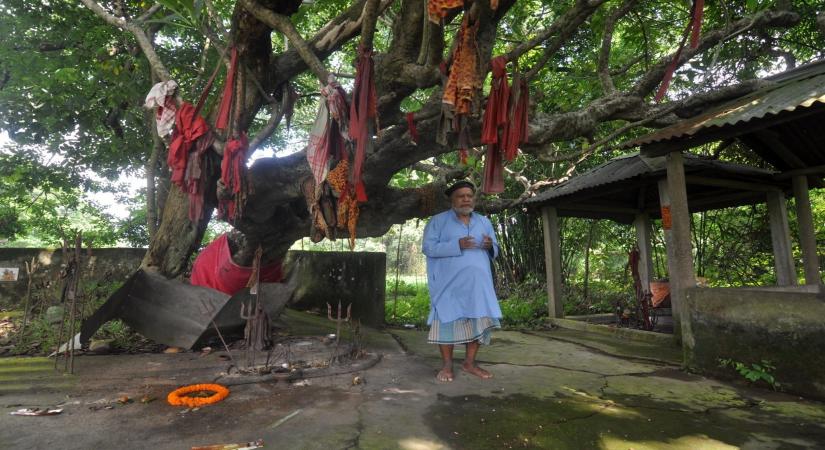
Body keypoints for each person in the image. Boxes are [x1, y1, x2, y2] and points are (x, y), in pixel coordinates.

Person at [422, 180, 502, 382]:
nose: (466, 199)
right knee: (446, 322)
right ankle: (447, 365)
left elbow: (495, 249)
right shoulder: (438, 221)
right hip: (448, 285)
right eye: (461, 196)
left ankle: (469, 363)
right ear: (452, 200)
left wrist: (490, 245)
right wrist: (456, 244)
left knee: (478, 322)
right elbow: (428, 248)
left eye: (469, 196)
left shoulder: (484, 222)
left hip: (478, 285)